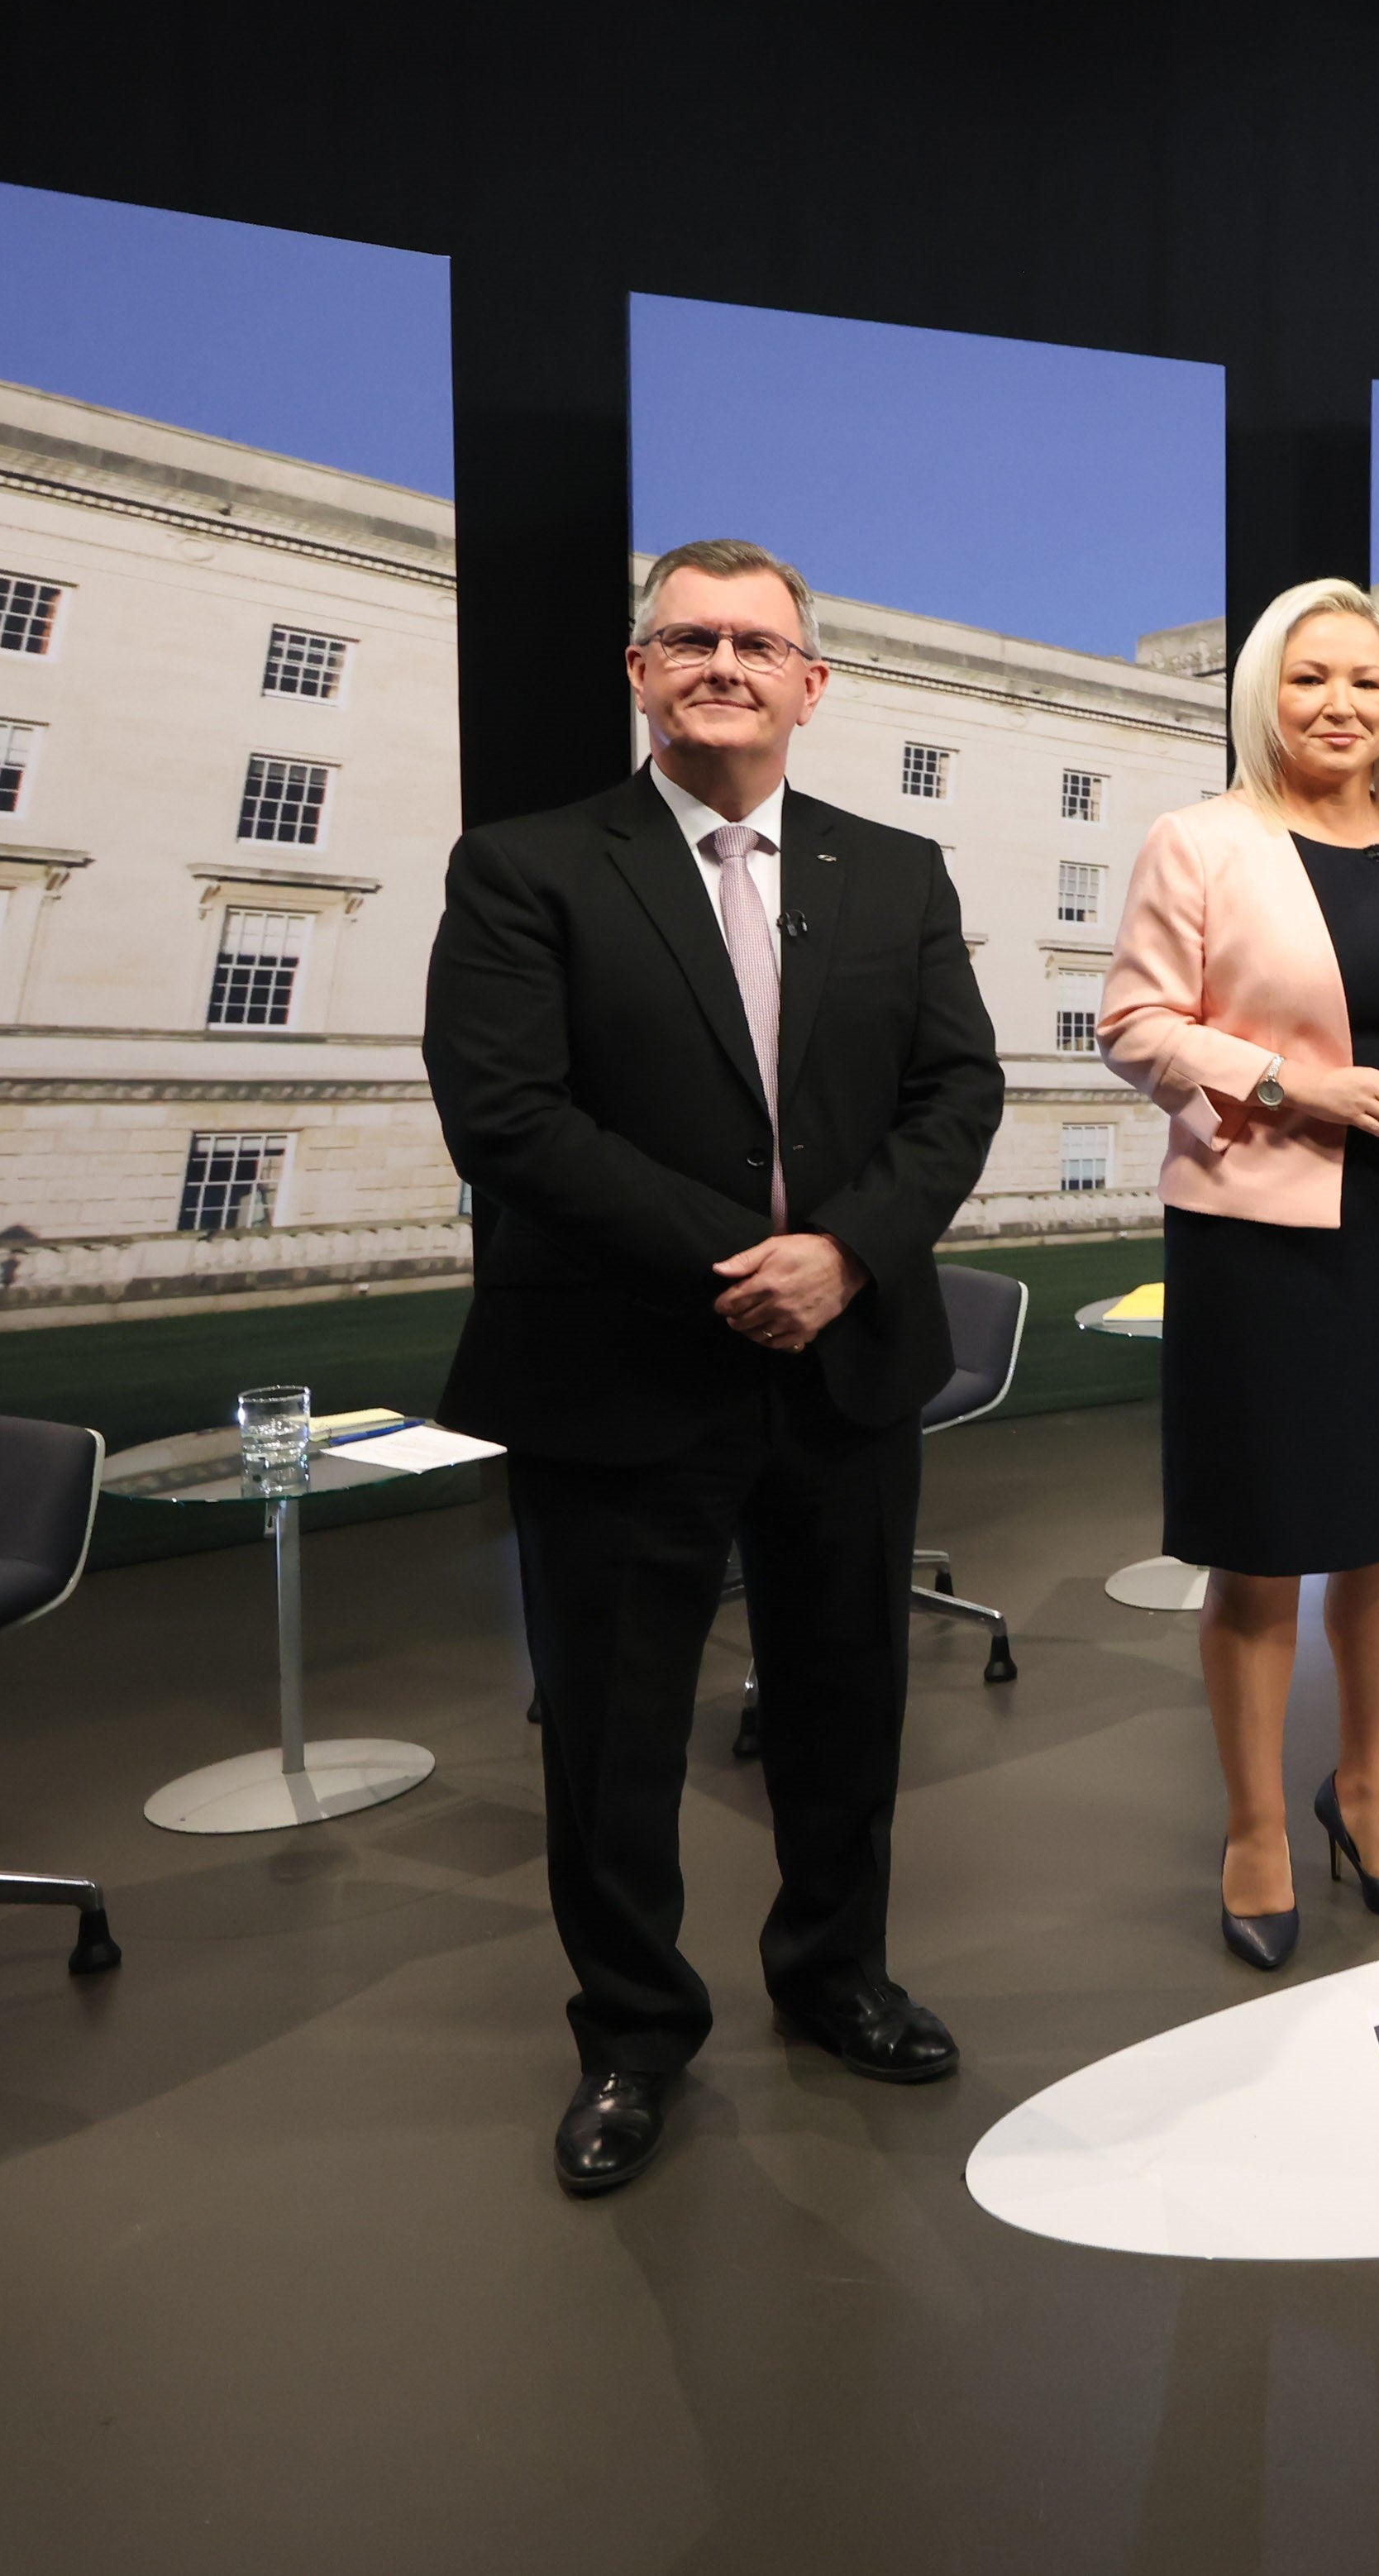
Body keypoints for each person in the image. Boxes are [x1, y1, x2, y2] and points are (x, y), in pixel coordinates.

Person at [425, 537, 1004, 2200]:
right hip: (618, 1364)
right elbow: (509, 1115)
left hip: (844, 1356)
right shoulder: (527, 866)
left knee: (843, 1701)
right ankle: (631, 2033)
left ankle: (836, 1975)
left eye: (757, 640)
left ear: (811, 683)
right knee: (611, 1730)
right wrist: (731, 1263)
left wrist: (840, 1255)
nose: (722, 661)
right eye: (689, 637)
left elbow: (956, 1096)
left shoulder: (897, 872)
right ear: (640, 671)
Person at [1101, 579, 1379, 1968]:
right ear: (1263, 694)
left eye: (1369, 684)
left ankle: (1369, 1798)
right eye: (1310, 679)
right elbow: (1136, 1024)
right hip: (1257, 1230)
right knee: (1265, 1539)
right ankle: (1257, 1828)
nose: (1341, 705)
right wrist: (1290, 1084)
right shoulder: (1200, 842)